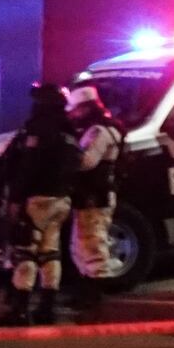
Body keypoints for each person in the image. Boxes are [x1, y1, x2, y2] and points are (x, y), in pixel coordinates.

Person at [0, 82, 75, 326]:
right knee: (50, 253)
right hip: (61, 199)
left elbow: (27, 168)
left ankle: (19, 310)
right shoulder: (70, 131)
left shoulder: (38, 130)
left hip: (36, 200)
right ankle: (47, 308)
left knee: (25, 251)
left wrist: (15, 199)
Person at [66, 85, 124, 309]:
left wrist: (67, 153)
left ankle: (95, 295)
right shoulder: (95, 129)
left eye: (76, 110)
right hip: (88, 196)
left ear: (86, 107)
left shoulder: (99, 131)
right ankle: (85, 292)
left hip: (96, 196)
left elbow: (86, 162)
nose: (73, 115)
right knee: (80, 245)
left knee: (92, 244)